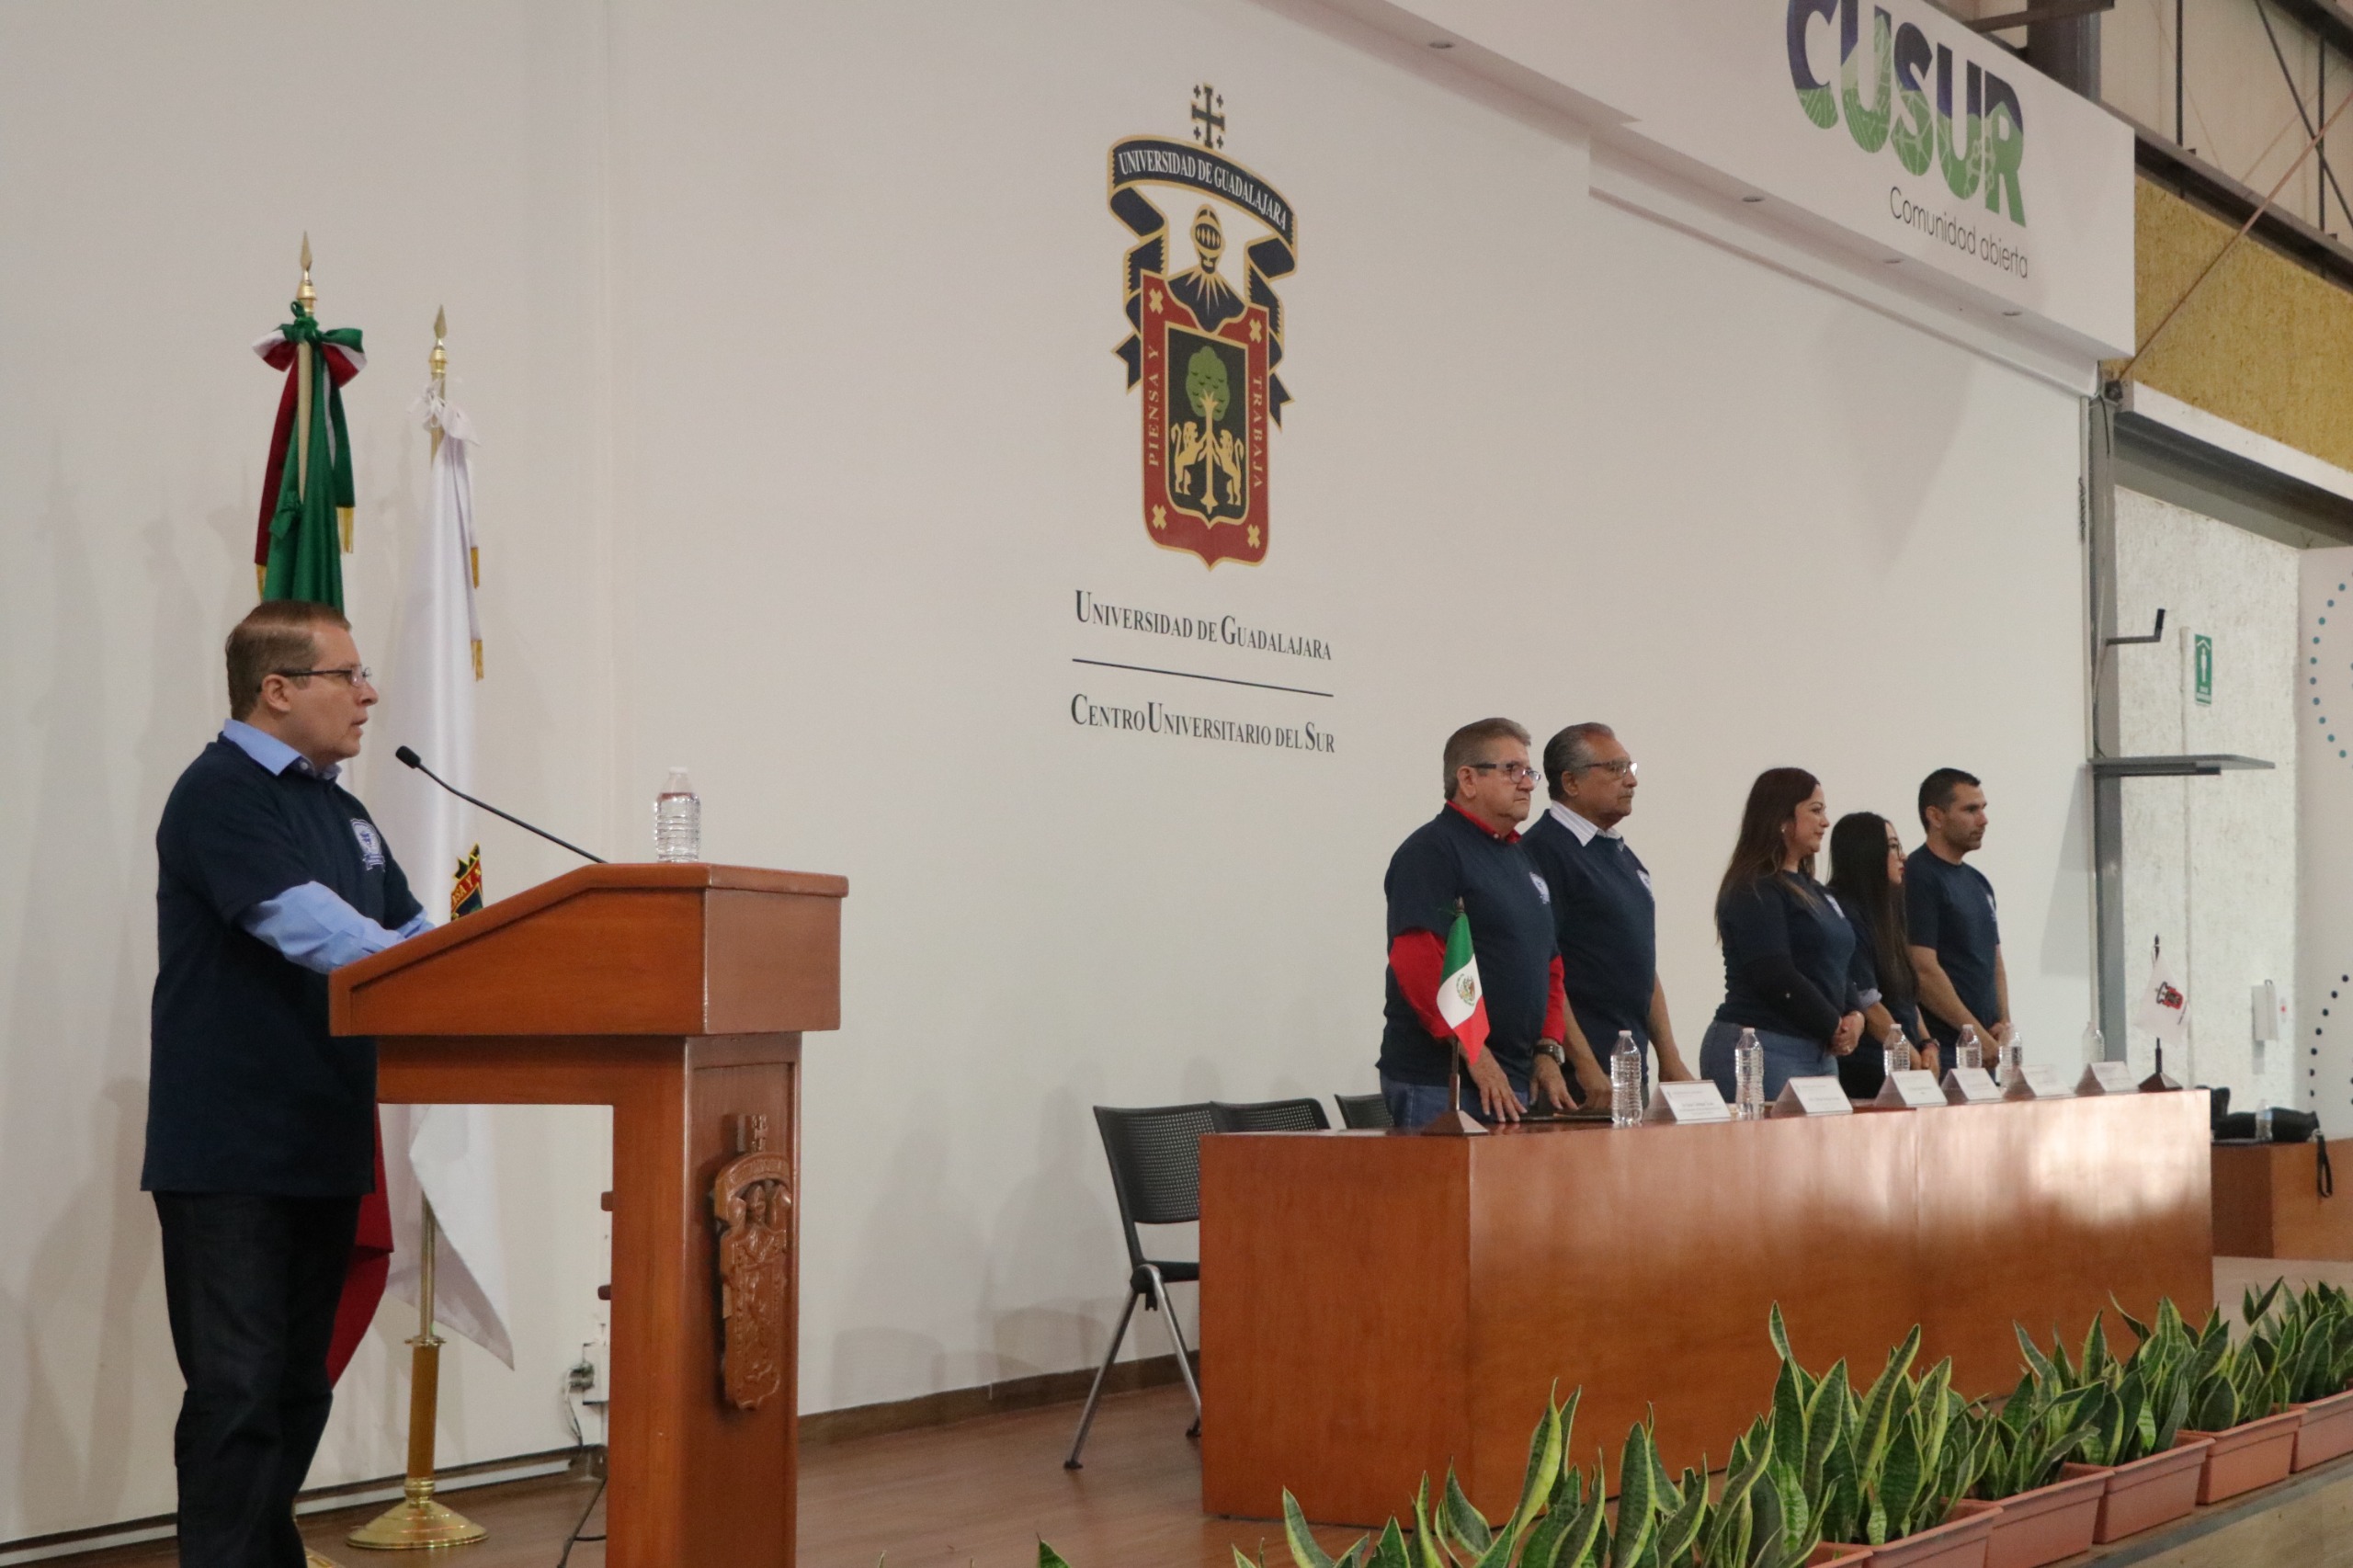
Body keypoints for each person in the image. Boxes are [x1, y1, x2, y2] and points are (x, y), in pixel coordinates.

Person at [142, 600, 430, 1568]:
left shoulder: (343, 809)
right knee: (237, 1391)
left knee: (299, 1386)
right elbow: (304, 923)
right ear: (276, 689)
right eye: (347, 674)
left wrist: (497, 961)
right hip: (230, 1145)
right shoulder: (220, 792)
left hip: (321, 1131)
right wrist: (423, 965)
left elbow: (413, 932)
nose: (368, 693)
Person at [1379, 718, 1573, 1128]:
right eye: (1512, 770)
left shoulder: (1520, 857)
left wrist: (1547, 1048)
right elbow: (1418, 960)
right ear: (1467, 779)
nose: (1528, 784)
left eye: (1529, 771)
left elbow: (1549, 965)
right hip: (1445, 1081)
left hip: (1511, 1078)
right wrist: (1475, 1052)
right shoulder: (1432, 851)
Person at [1522, 722, 1696, 1108]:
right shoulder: (1544, 852)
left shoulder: (1621, 855)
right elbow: (1542, 968)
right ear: (1571, 782)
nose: (1631, 781)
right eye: (1616, 769)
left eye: (1630, 768)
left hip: (1627, 1067)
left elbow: (1641, 962)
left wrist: (1669, 1058)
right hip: (1577, 1079)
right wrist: (1585, 1065)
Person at [1699, 767, 1867, 1104]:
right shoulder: (1755, 888)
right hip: (1764, 1046)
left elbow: (1838, 962)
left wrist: (1855, 1015)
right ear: (1782, 819)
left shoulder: (1817, 891)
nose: (1825, 822)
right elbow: (1774, 974)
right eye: (1815, 811)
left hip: (1819, 1049)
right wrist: (1833, 1023)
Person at [1827, 812, 1935, 1099]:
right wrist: (1912, 1059)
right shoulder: (1845, 913)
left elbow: (1906, 996)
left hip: (1904, 1061)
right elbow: (1869, 1004)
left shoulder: (1888, 912)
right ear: (1866, 853)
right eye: (1893, 847)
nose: (1903, 857)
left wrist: (1927, 1043)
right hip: (1868, 1070)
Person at [1906, 767, 2008, 1055]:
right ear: (1936, 816)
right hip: (1945, 1047)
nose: (1983, 820)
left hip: (1984, 1043)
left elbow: (1994, 960)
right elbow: (1923, 969)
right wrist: (1974, 1033)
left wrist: (2004, 1023)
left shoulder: (1978, 881)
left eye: (1983, 808)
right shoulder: (1918, 875)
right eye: (1971, 810)